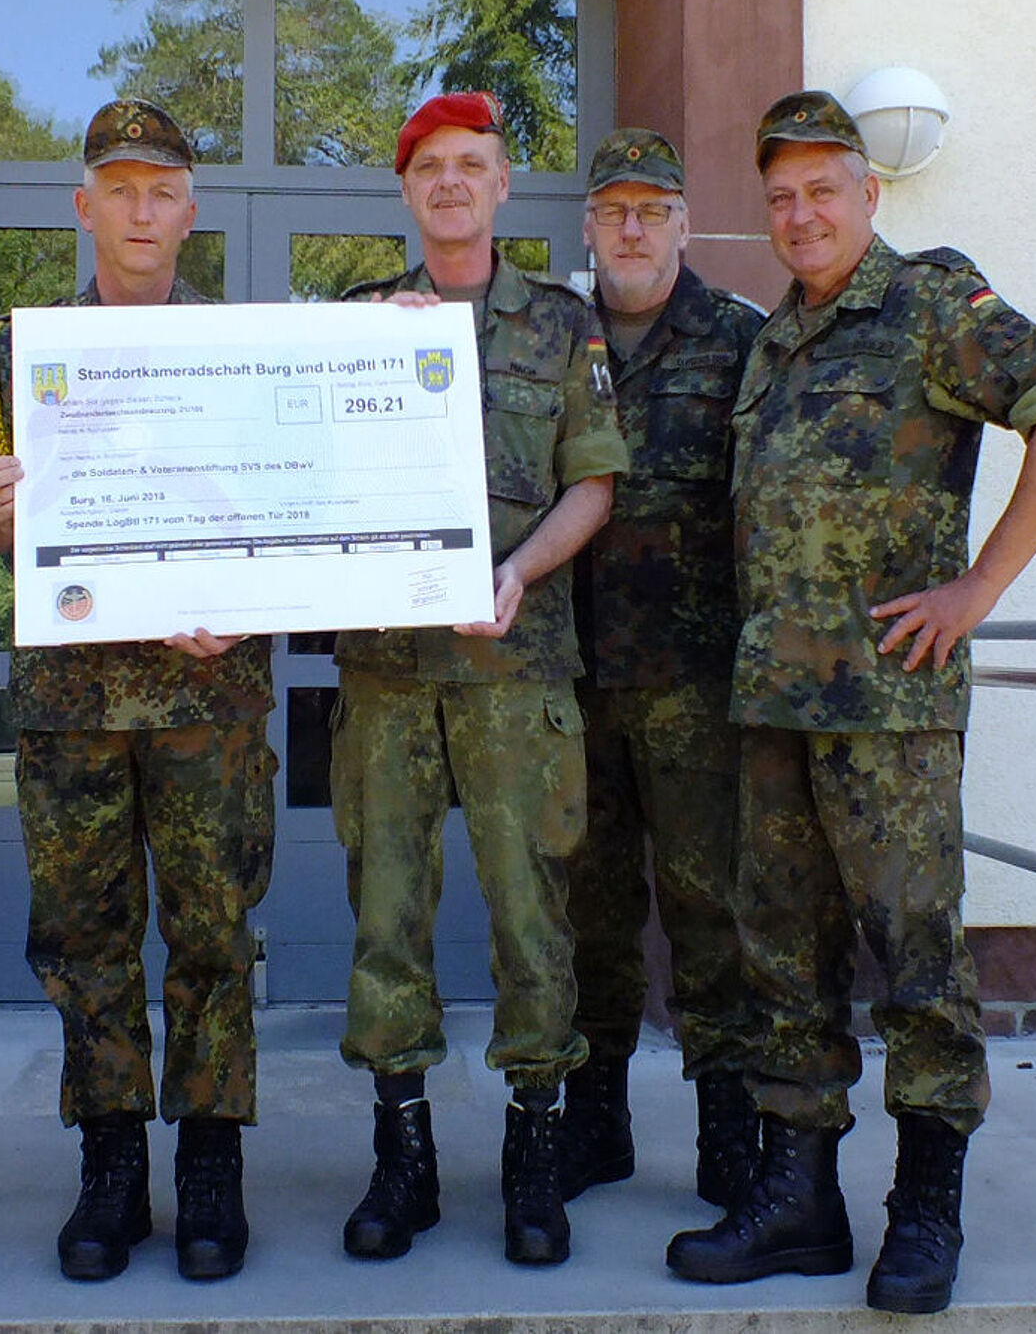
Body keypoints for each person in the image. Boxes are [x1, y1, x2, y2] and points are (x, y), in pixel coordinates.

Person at [665, 90, 1036, 1315]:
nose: (802, 213)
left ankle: (924, 1212)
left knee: (916, 962)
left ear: (870, 195)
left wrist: (976, 587)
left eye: (824, 189)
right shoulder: (773, 342)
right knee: (784, 965)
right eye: (782, 197)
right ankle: (799, 1201)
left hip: (890, 715)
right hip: (775, 709)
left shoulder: (928, 303)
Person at [0, 100, 276, 1284]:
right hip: (72, 703)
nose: (142, 210)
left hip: (209, 697)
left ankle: (207, 1160)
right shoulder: (17, 350)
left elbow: (282, 520)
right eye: (120, 189)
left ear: (190, 213)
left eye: (164, 190)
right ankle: (109, 1163)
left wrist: (251, 592)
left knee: (211, 932)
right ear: (83, 207)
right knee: (86, 941)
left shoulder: (242, 349)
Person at [331, 91, 627, 1267]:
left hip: (515, 668)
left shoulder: (561, 326)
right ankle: (400, 1159)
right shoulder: (355, 319)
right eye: (429, 168)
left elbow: (593, 483)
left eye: (473, 164)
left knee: (530, 919)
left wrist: (513, 574)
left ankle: (534, 1158)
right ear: (407, 192)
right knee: (385, 919)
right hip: (390, 680)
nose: (450, 182)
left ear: (505, 185)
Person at [558, 129, 763, 1208]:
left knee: (707, 911)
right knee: (589, 910)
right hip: (571, 677)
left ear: (684, 224)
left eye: (652, 211)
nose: (631, 229)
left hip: (694, 682)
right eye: (612, 212)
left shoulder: (739, 339)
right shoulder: (553, 331)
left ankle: (730, 1132)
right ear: (586, 227)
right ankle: (597, 1126)